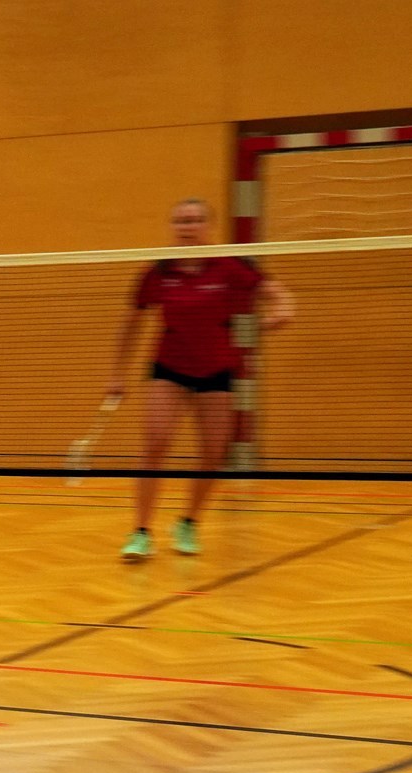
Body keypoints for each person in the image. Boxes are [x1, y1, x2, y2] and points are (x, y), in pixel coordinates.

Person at [107, 198, 294, 562]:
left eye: (194, 220)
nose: (187, 227)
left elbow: (275, 292)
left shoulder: (231, 265)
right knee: (156, 443)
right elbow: (131, 324)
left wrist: (282, 310)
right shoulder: (158, 271)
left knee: (213, 451)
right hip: (169, 368)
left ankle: (189, 523)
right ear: (172, 227)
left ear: (208, 227)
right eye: (180, 221)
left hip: (218, 370)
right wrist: (116, 374)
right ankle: (141, 532)